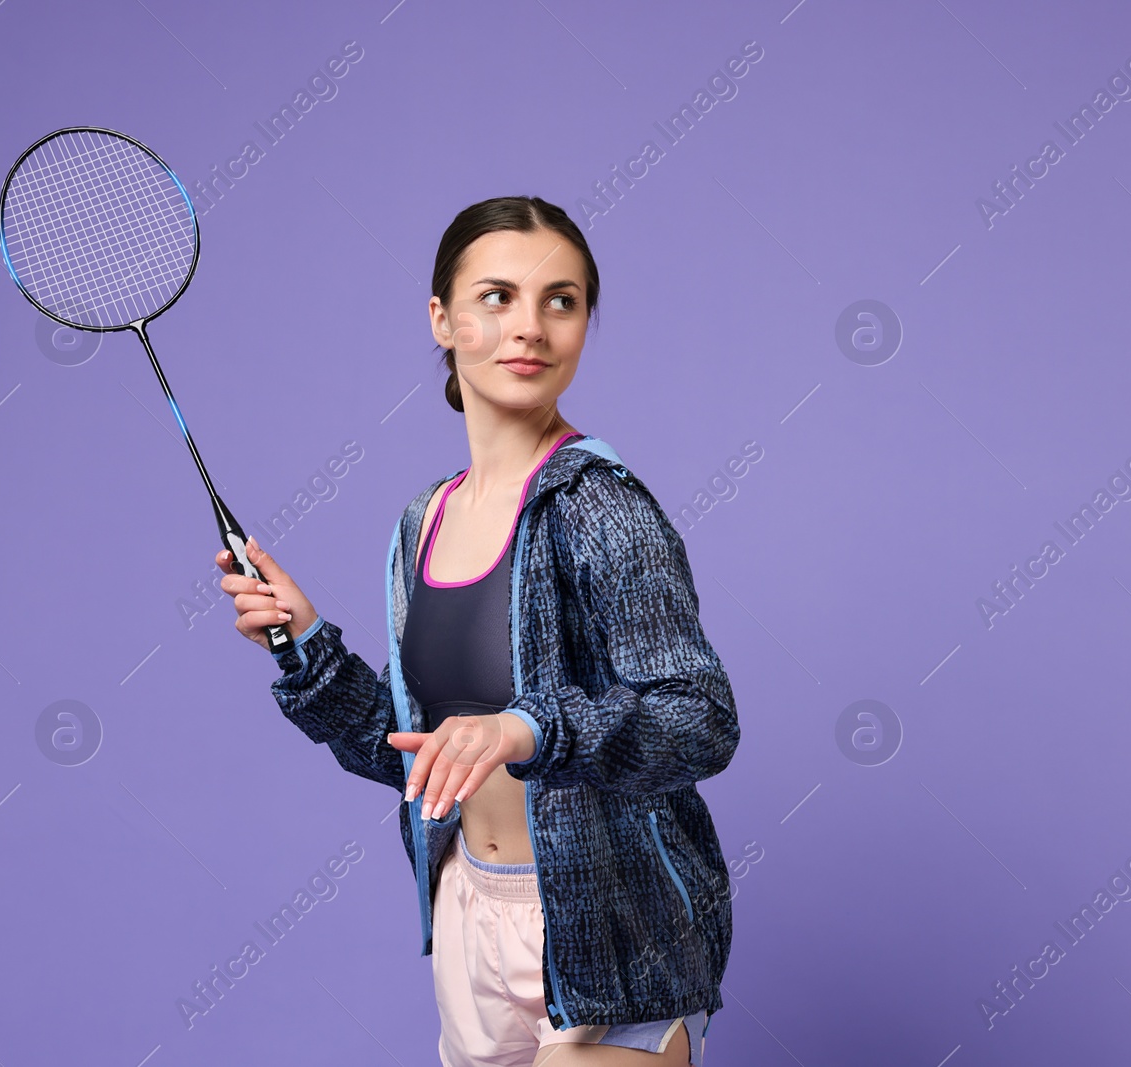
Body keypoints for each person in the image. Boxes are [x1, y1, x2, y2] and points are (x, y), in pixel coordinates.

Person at [216, 196, 740, 1067]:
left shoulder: (600, 505)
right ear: (443, 317)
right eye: (498, 296)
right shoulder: (424, 521)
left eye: (561, 300)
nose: (530, 326)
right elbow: (413, 758)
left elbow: (700, 717)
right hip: (467, 909)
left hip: (610, 924)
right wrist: (309, 648)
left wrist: (526, 726)